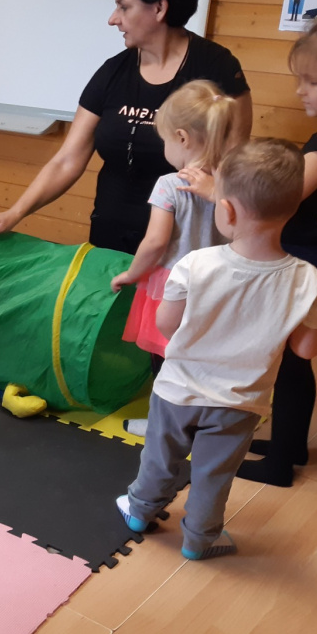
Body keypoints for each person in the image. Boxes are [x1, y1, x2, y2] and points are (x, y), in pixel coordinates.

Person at [118, 139, 317, 560]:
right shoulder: (309, 280)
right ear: (292, 209)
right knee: (214, 475)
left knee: (159, 458)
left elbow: (166, 324)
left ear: (226, 210)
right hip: (239, 402)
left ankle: (139, 512)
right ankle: (200, 539)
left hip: (177, 390)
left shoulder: (194, 264)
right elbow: (306, 349)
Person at [0, 0, 251, 255]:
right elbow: (67, 160)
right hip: (110, 237)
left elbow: (233, 166)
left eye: (123, 7)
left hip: (183, 248)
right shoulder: (112, 71)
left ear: (159, 8)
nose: (113, 19)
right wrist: (14, 212)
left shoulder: (217, 68)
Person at [238, 14, 317, 487]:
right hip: (316, 256)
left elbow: (282, 193)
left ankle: (280, 464)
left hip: (313, 259)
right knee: (294, 358)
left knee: (289, 358)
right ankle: (292, 445)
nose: (301, 91)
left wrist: (223, 188)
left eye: (313, 82)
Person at [110, 80, 238, 435]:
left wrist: (131, 274)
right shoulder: (231, 183)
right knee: (202, 358)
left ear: (182, 138)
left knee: (167, 360)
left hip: (173, 288)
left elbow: (154, 243)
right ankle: (204, 421)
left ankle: (164, 424)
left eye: (164, 139)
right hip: (217, 284)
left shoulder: (169, 184)